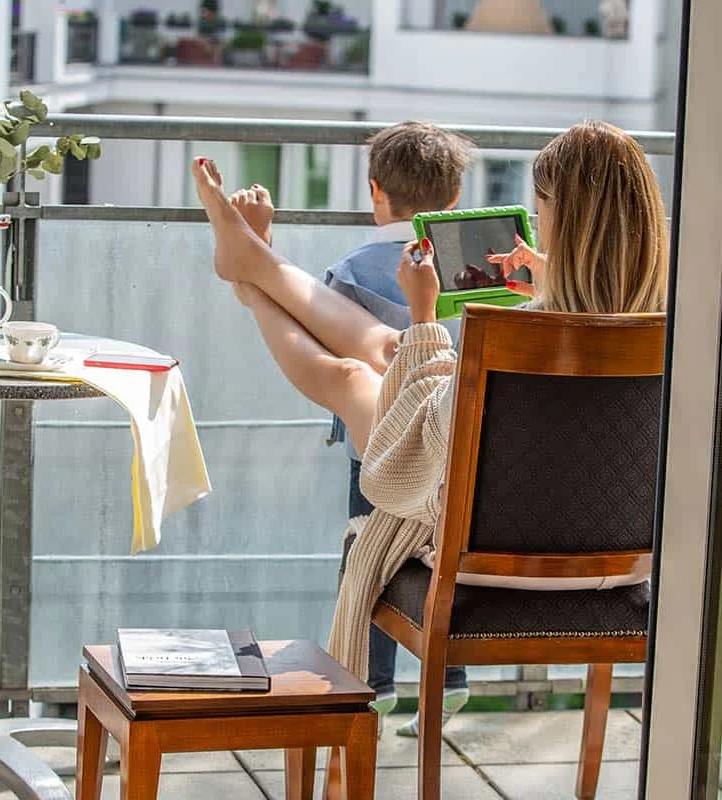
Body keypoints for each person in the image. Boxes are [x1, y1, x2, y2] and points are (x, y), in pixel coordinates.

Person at [191, 119, 667, 733]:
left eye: (543, 210)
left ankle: (253, 276)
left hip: (479, 548)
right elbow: (596, 317)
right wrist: (545, 275)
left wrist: (423, 314)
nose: (538, 224)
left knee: (361, 373)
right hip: (622, 564)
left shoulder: (523, 334)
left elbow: (425, 445)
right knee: (379, 360)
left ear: (564, 221)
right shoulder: (670, 325)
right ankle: (253, 265)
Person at [229, 121, 473, 737]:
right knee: (446, 551)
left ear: (375, 190)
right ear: (454, 200)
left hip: (384, 446)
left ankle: (375, 682)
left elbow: (307, 335)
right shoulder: (481, 272)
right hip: (464, 449)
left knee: (369, 549)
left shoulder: (356, 269)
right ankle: (450, 681)